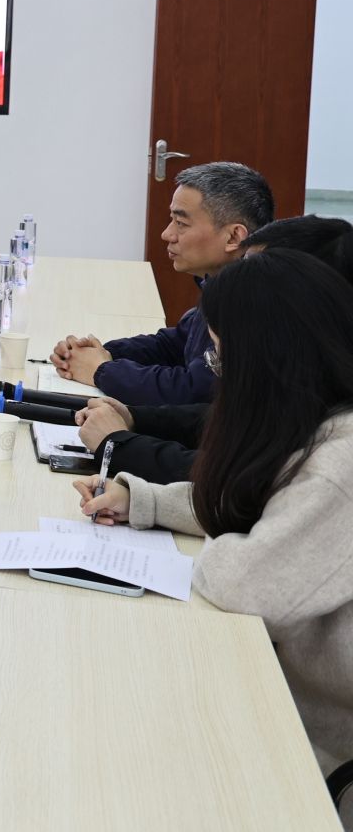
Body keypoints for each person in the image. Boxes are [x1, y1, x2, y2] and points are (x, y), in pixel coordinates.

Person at [75, 249, 353, 784]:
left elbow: (242, 583)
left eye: (223, 362)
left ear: (268, 361)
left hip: (318, 753)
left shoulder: (340, 465)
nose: (220, 381)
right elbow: (252, 505)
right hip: (286, 704)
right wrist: (145, 501)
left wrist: (236, 536)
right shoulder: (319, 425)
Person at [76, 215, 353, 484]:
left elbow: (236, 481)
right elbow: (231, 418)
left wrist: (120, 445)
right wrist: (136, 418)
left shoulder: (329, 426)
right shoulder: (301, 366)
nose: (167, 234)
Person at [52, 161, 272, 406]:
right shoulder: (221, 282)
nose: (167, 234)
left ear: (233, 236)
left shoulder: (254, 302)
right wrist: (102, 353)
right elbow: (175, 344)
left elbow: (193, 392)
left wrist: (102, 370)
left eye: (181, 223)